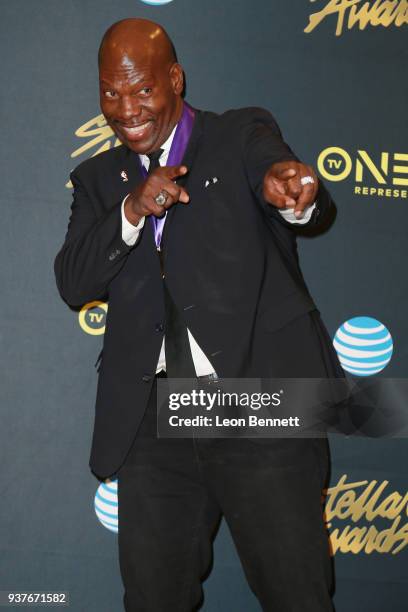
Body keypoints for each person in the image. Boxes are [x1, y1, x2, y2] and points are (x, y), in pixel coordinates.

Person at [54, 17, 343, 612]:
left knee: (298, 596)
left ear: (176, 79)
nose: (125, 107)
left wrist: (289, 191)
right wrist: (132, 211)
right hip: (156, 419)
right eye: (111, 91)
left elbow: (280, 174)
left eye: (141, 89)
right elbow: (73, 281)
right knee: (153, 600)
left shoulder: (239, 134)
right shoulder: (97, 180)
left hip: (257, 402)